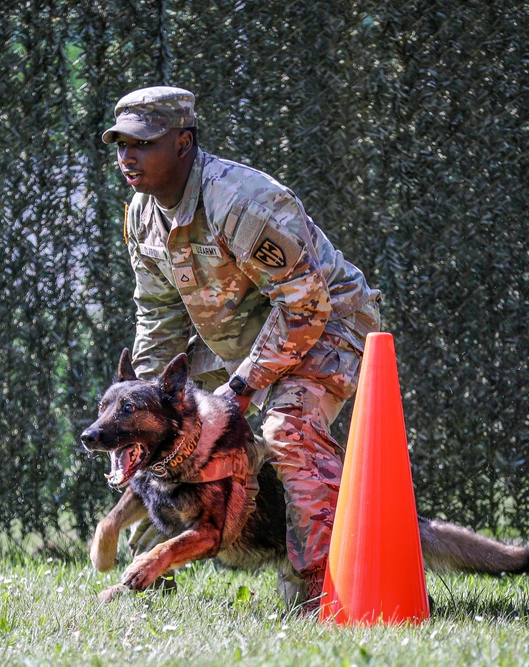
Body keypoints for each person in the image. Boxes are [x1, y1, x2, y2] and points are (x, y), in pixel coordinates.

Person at [102, 86, 382, 613]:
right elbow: (157, 313)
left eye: (143, 143)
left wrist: (241, 389)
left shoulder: (241, 200)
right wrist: (146, 403)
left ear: (184, 143)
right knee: (155, 428)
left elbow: (305, 305)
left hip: (326, 327)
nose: (127, 157)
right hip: (239, 340)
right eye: (119, 144)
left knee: (287, 433)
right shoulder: (142, 215)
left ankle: (320, 591)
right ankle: (150, 573)